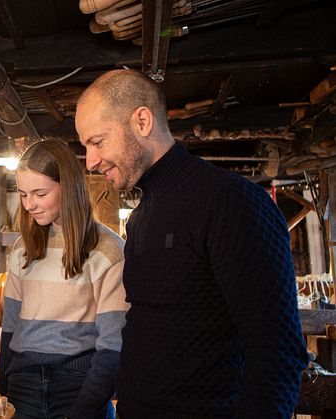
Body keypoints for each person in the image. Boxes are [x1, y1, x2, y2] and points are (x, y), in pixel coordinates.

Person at [75, 69, 309, 418]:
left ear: (142, 121)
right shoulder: (141, 217)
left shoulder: (230, 201)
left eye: (97, 142)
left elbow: (278, 348)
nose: (91, 161)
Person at [0, 139, 129, 419]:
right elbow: (9, 332)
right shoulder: (24, 248)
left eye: (39, 193)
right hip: (23, 387)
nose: (29, 204)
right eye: (22, 194)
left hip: (79, 387)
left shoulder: (108, 250)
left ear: (68, 188)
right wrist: (1, 396)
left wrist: (85, 408)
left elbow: (112, 345)